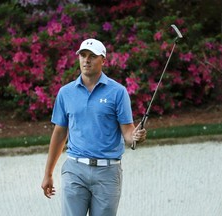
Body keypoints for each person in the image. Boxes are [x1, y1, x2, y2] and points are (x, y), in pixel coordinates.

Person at [41, 38, 147, 216]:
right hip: (75, 169)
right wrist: (48, 173)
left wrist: (135, 136)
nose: (86, 60)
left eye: (92, 56)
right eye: (83, 55)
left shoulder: (118, 92)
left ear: (103, 60)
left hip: (108, 172)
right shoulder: (65, 93)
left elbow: (128, 131)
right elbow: (59, 134)